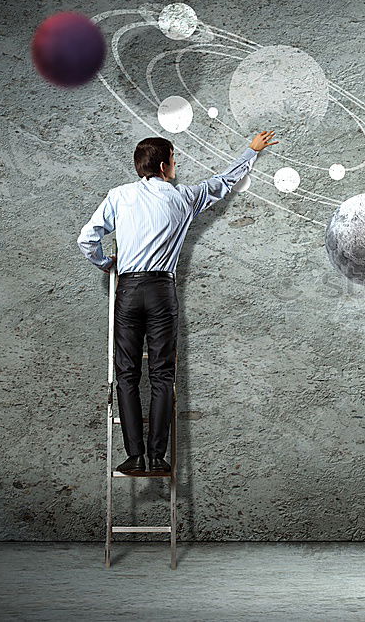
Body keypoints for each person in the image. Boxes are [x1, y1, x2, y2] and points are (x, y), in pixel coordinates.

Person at [77, 131, 279, 474]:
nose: (177, 164)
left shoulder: (119, 196)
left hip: (127, 289)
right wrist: (251, 150)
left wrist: (108, 264)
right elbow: (223, 183)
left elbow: (87, 239)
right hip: (161, 292)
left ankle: (134, 456)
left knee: (126, 374)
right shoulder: (184, 198)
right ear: (162, 164)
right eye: (174, 158)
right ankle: (157, 458)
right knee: (161, 375)